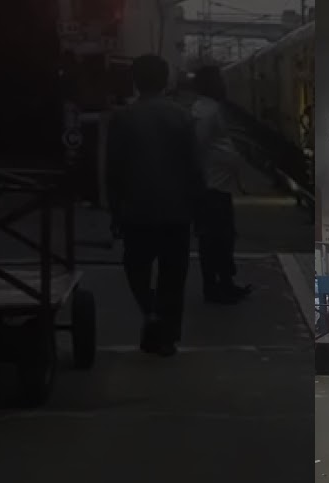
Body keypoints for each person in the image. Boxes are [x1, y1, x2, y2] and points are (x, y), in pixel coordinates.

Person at [104, 54, 204, 357]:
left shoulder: (122, 118)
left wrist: (114, 209)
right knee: (174, 274)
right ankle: (167, 336)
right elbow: (194, 167)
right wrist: (198, 208)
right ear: (166, 81)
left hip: (136, 209)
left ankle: (151, 313)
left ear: (135, 80)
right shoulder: (182, 116)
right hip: (176, 210)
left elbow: (114, 169)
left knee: (135, 267)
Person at [191, 65, 252, 304]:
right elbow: (199, 145)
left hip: (216, 186)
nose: (224, 85)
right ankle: (216, 287)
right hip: (211, 188)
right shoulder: (206, 111)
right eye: (220, 80)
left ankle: (223, 283)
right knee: (216, 239)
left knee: (221, 238)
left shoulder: (207, 109)